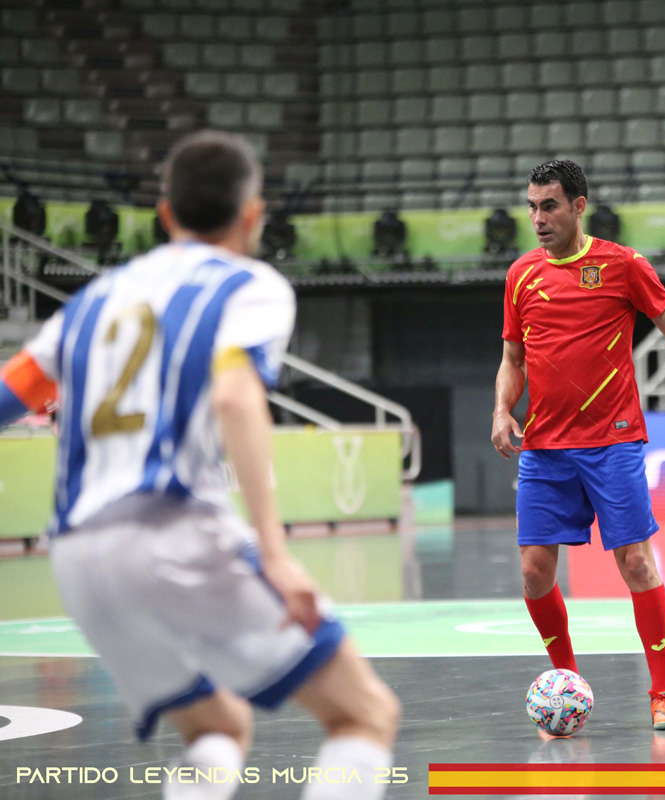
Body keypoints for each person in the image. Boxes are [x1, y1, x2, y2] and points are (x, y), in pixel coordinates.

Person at [0, 131, 398, 800]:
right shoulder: (250, 285)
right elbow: (236, 397)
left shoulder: (94, 299)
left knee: (217, 725)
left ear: (165, 214)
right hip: (171, 530)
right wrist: (275, 554)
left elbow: (11, 394)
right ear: (253, 214)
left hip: (77, 560)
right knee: (363, 714)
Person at [490, 160, 665, 731]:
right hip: (545, 446)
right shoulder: (521, 274)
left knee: (637, 562)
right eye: (532, 206)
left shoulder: (624, 265)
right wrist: (501, 408)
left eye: (549, 206)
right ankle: (569, 686)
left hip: (612, 442)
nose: (538, 218)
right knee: (534, 574)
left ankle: (664, 695)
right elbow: (512, 358)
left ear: (579, 206)